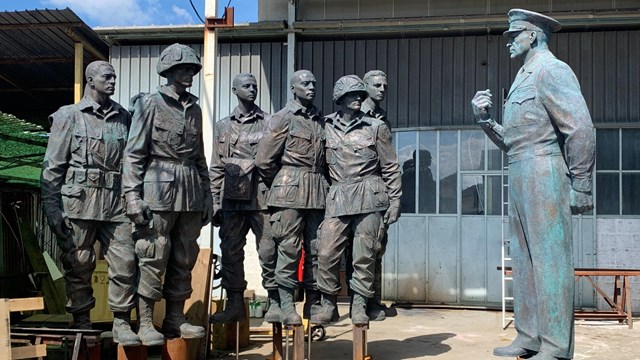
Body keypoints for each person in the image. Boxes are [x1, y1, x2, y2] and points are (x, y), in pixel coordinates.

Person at [471, 9, 595, 360]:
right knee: (524, 259)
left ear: (533, 36)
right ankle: (529, 337)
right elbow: (515, 142)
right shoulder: (524, 77)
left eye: (515, 34)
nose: (508, 41)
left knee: (550, 260)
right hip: (521, 170)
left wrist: (582, 184)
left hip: (546, 172)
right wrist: (486, 122)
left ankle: (555, 348)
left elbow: (580, 128)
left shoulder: (551, 71)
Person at [41, 61, 140, 346]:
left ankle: (122, 322)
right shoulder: (68, 116)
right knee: (79, 262)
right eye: (107, 77)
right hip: (79, 202)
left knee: (125, 263)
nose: (112, 82)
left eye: (114, 77)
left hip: (116, 201)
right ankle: (81, 322)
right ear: (90, 80)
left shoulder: (124, 117)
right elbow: (52, 169)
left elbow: (135, 161)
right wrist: (52, 208)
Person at [123, 43, 212, 345]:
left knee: (184, 256)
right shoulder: (149, 103)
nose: (189, 73)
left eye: (192, 69)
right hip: (157, 187)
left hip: (190, 190)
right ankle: (146, 321)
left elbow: (199, 157)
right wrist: (132, 196)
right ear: (170, 70)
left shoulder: (195, 109)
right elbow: (134, 154)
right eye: (184, 68)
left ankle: (176, 316)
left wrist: (208, 196)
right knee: (153, 252)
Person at [313, 75, 401, 326]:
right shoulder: (325, 125)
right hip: (339, 195)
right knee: (326, 252)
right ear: (339, 99)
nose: (358, 99)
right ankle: (328, 304)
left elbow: (391, 167)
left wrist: (395, 202)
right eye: (352, 95)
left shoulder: (375, 127)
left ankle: (359, 305)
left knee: (364, 255)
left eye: (361, 95)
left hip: (369, 195)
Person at [254, 70, 328, 326]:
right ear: (293, 88)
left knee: (317, 249)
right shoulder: (282, 118)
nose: (311, 87)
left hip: (317, 191)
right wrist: (285, 180)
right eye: (305, 83)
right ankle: (286, 304)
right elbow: (264, 160)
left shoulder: (320, 120)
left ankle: (313, 302)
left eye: (313, 83)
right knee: (289, 248)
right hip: (289, 192)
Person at [209, 73, 277, 323]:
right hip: (232, 200)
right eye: (246, 86)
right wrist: (215, 200)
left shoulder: (271, 122)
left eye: (255, 86)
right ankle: (235, 304)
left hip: (262, 199)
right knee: (230, 252)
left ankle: (275, 301)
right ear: (234, 90)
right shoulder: (222, 125)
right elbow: (216, 166)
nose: (252, 90)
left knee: (269, 251)